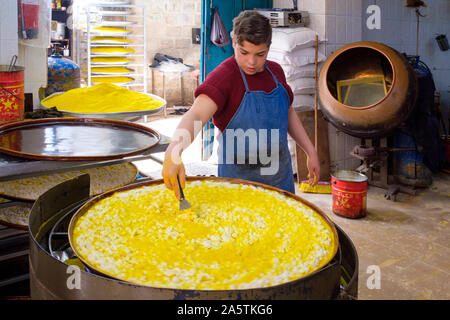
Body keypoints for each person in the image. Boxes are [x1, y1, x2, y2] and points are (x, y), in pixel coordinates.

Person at [162, 10, 319, 199]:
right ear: (234, 42)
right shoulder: (224, 77)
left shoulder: (276, 72)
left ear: (268, 48)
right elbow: (196, 116)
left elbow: (288, 114)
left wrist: (310, 151)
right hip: (238, 186)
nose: (252, 62)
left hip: (280, 181)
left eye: (260, 54)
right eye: (244, 52)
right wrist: (174, 150)